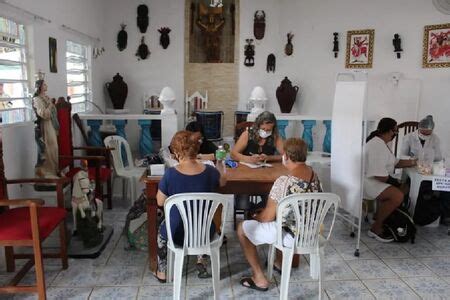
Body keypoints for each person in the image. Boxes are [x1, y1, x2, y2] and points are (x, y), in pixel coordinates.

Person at [237, 138, 322, 291]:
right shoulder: (314, 176)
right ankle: (279, 262)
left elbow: (267, 218)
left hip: (291, 236)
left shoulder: (284, 182)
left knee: (242, 228)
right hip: (311, 233)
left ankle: (259, 278)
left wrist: (255, 217)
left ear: (286, 157)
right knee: (280, 218)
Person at [155, 131, 226, 282]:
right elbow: (223, 182)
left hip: (177, 235)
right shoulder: (211, 172)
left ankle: (162, 272)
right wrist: (220, 162)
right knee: (203, 219)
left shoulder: (170, 174)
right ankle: (202, 258)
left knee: (161, 234)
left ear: (175, 152)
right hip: (205, 233)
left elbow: (160, 202)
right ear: (197, 150)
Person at [364, 118, 417, 243]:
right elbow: (379, 175)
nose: (396, 134)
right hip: (369, 182)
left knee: (405, 188)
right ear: (389, 131)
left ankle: (380, 217)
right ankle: (375, 228)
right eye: (395, 131)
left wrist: (414, 162)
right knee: (398, 196)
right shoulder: (376, 145)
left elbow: (395, 162)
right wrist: (397, 183)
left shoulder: (382, 143)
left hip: (375, 179)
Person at [33, 78, 60, 178]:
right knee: (49, 148)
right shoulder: (37, 99)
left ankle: (54, 170)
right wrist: (49, 105)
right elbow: (44, 114)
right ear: (40, 87)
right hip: (46, 125)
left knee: (55, 148)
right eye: (44, 84)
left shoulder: (46, 98)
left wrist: (51, 105)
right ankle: (49, 171)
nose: (46, 86)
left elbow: (53, 111)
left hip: (51, 124)